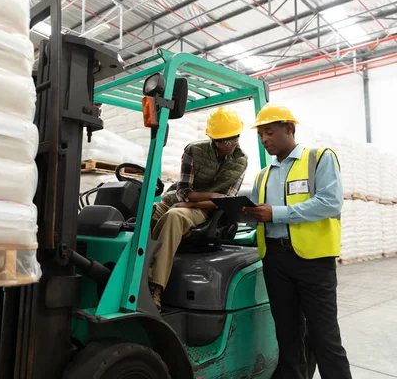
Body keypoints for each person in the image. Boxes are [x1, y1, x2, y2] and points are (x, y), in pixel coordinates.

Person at [244, 103, 351, 379]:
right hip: (275, 261)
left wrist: (276, 214)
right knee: (287, 336)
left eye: (270, 132)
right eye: (261, 135)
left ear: (289, 129)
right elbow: (259, 214)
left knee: (324, 337)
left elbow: (329, 203)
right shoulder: (263, 175)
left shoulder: (319, 159)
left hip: (313, 261)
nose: (265, 139)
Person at [148, 106, 248, 310]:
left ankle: (154, 286)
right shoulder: (193, 150)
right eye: (223, 140)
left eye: (233, 138)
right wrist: (209, 195)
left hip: (204, 209)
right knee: (142, 215)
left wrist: (193, 202)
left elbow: (225, 201)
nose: (229, 144)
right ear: (213, 138)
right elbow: (184, 191)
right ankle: (129, 274)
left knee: (175, 216)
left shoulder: (240, 161)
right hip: (176, 199)